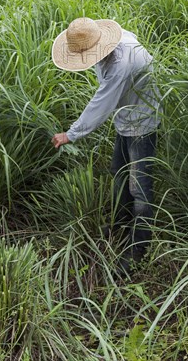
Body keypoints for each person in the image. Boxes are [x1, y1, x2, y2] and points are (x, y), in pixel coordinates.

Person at [50, 17, 161, 274]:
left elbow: (101, 104)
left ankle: (139, 248)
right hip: (126, 116)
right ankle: (119, 224)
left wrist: (71, 134)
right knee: (118, 174)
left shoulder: (121, 63)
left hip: (143, 122)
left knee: (139, 189)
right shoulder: (108, 45)